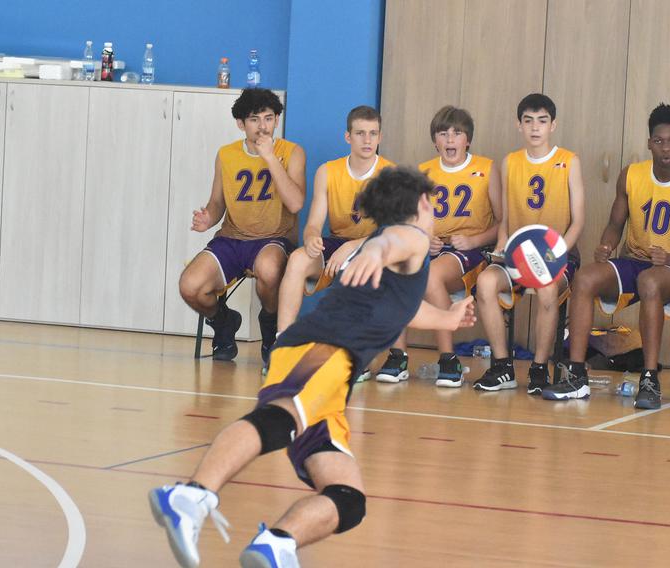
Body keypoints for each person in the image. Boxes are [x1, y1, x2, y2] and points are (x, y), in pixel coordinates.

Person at [149, 166, 476, 568]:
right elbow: (392, 241)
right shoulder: (410, 237)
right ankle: (192, 496)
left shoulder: (403, 268)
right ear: (423, 204)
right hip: (319, 350)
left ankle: (278, 543)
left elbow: (404, 309)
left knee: (348, 498)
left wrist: (448, 318)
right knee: (276, 421)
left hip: (334, 383)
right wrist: (373, 250)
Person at [555, 104, 670, 406]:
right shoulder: (631, 175)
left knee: (650, 282)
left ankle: (650, 378)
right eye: (658, 140)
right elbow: (616, 224)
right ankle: (576, 375)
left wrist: (669, 259)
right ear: (649, 143)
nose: (665, 147)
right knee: (586, 277)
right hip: (636, 261)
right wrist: (606, 245)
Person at [374, 106, 501, 387]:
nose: (450, 139)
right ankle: (397, 355)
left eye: (457, 133)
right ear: (435, 140)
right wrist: (423, 236)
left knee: (430, 274)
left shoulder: (486, 168)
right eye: (443, 133)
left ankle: (448, 358)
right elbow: (410, 221)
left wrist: (474, 240)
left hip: (471, 251)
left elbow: (502, 223)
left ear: (468, 139)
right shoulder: (424, 172)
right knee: (392, 270)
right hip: (435, 248)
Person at [178, 88, 305, 368]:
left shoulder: (291, 152)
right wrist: (207, 219)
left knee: (271, 270)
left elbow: (296, 204)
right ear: (240, 124)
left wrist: (270, 158)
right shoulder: (226, 155)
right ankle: (224, 321)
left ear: (276, 121)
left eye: (269, 119)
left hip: (274, 239)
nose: (263, 127)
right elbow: (216, 203)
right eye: (254, 119)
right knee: (189, 286)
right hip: (232, 238)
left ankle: (269, 329)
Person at [473, 93, 585, 394]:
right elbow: (506, 220)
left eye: (542, 121)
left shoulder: (569, 161)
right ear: (519, 125)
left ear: (553, 125)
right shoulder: (510, 162)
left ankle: (538, 368)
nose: (535, 128)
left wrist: (555, 256)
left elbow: (579, 222)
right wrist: (500, 247)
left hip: (557, 256)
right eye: (528, 121)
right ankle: (502, 367)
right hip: (518, 255)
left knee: (548, 289)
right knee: (484, 282)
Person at [276, 106, 393, 340]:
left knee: (361, 270)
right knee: (298, 259)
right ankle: (283, 342)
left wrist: (351, 248)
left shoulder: (391, 174)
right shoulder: (328, 171)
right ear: (348, 137)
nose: (367, 140)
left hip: (376, 248)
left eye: (373, 133)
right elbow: (314, 224)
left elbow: (392, 232)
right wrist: (311, 240)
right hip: (338, 243)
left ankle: (357, 353)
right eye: (360, 133)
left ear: (380, 137)